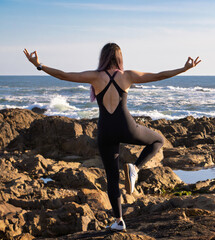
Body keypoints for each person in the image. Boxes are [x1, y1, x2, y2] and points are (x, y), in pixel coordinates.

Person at [23, 43, 201, 231]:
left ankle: (118, 221)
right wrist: (184, 68)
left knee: (112, 177)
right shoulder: (127, 76)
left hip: (105, 131)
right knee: (158, 140)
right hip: (126, 127)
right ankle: (135, 168)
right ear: (119, 57)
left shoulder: (94, 76)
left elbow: (64, 75)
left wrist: (39, 65)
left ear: (103, 57)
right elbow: (159, 75)